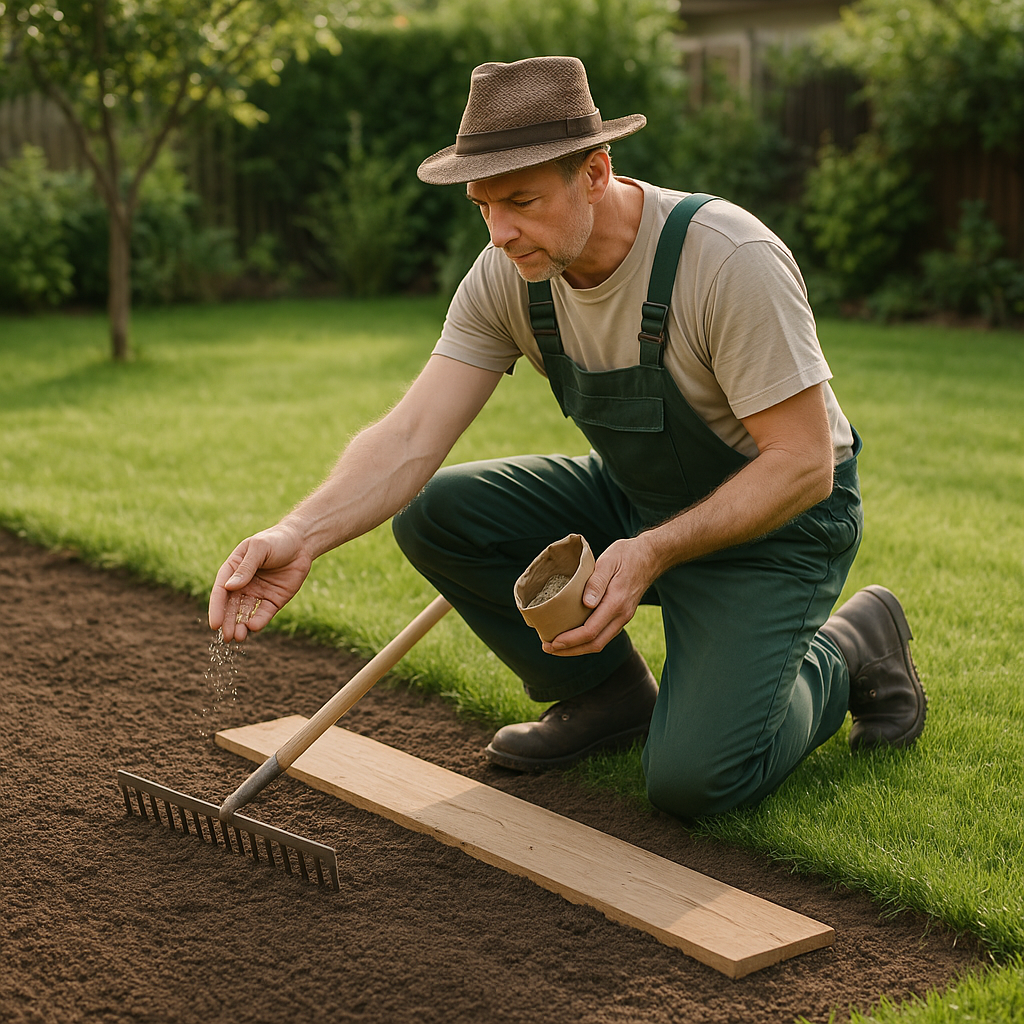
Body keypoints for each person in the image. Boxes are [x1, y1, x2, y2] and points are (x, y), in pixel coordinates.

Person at [209, 56, 927, 819]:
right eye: (482, 204)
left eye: (520, 200)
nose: (501, 230)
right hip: (635, 498)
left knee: (697, 782)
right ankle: (607, 700)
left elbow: (805, 465)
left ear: (595, 171)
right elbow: (412, 435)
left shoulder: (725, 259)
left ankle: (850, 649)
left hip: (777, 527)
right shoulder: (509, 275)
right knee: (437, 512)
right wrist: (300, 534)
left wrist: (652, 551)